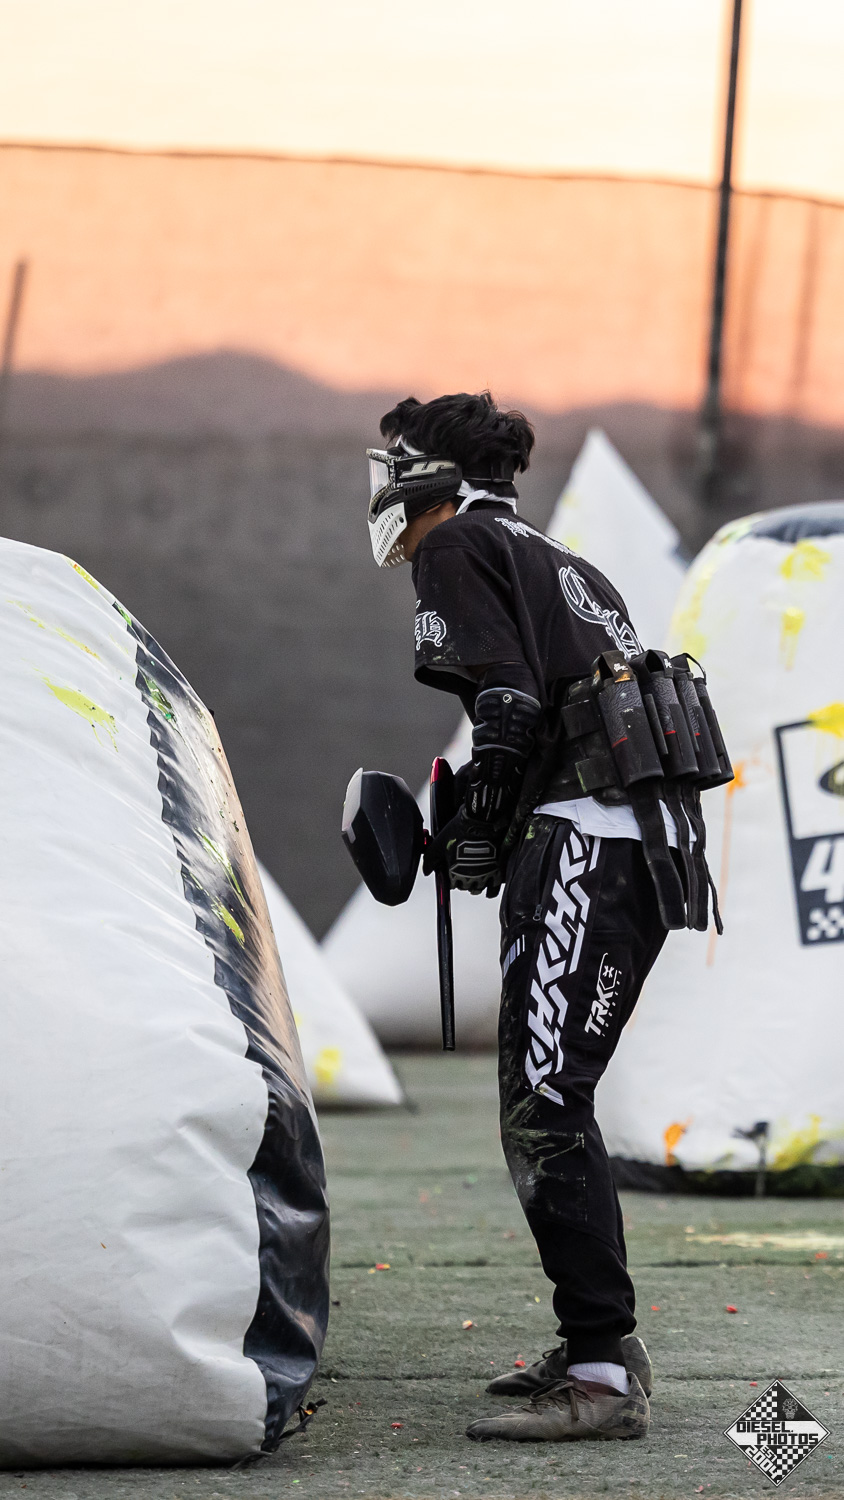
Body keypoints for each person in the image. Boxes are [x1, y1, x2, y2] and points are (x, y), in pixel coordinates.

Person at [365, 391, 722, 1444]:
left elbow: (511, 703)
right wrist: (491, 819)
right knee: (555, 1095)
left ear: (434, 479)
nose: (385, 489)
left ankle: (602, 1375)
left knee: (544, 1103)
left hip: (588, 843)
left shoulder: (455, 545)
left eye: (397, 465)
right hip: (645, 845)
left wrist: (480, 814)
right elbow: (578, 705)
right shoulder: (570, 564)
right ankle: (598, 1345)